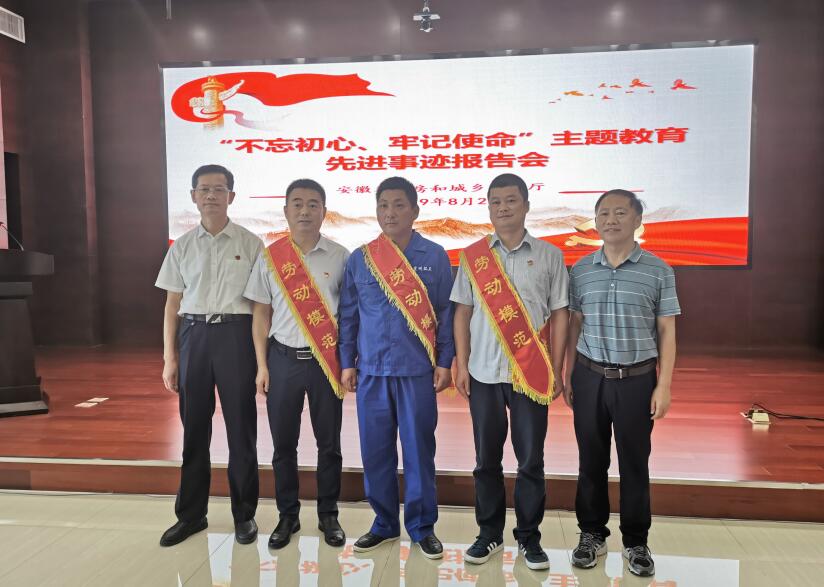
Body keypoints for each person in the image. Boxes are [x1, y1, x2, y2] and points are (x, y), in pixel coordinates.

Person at [450, 173, 569, 570]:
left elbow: (560, 314)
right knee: (486, 460)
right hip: (484, 372)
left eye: (511, 200)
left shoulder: (550, 255)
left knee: (531, 460)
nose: (503, 208)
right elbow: (462, 311)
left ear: (526, 205)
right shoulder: (473, 256)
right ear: (488, 207)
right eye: (496, 201)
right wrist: (462, 362)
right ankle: (488, 534)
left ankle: (529, 538)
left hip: (530, 374)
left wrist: (555, 367)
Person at [338, 176, 455, 559]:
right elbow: (349, 315)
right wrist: (347, 362)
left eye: (399, 205)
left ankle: (422, 527)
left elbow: (446, 313)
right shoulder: (361, 258)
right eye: (383, 205)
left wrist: (444, 361)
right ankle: (384, 523)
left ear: (415, 210)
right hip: (371, 372)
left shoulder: (434, 255)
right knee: (375, 452)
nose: (390, 213)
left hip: (416, 372)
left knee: (419, 451)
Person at [565, 189, 680, 577]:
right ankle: (591, 535)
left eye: (619, 213)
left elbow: (667, 330)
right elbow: (575, 324)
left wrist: (664, 385)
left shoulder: (658, 270)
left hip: (636, 380)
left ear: (637, 220)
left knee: (634, 462)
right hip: (589, 376)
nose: (610, 220)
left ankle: (636, 542)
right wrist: (568, 372)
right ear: (595, 222)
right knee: (590, 460)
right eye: (603, 214)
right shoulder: (580, 270)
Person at [156, 164, 262, 546]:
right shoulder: (182, 246)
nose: (212, 195)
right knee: (194, 431)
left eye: (219, 189)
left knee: (241, 430)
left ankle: (244, 515)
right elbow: (172, 305)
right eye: (205, 189)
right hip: (195, 336)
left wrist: (262, 360)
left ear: (231, 196)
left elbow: (260, 306)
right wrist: (170, 358)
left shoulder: (251, 244)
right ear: (193, 196)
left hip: (236, 337)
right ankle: (191, 516)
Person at [243, 179, 349, 549]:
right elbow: (261, 315)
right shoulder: (270, 257)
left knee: (329, 444)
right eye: (298, 204)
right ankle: (287, 514)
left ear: (324, 211)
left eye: (313, 204)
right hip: (283, 359)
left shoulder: (340, 256)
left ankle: (328, 514)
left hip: (325, 362)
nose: (305, 211)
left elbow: (350, 315)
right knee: (283, 445)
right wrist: (262, 365)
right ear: (286, 210)